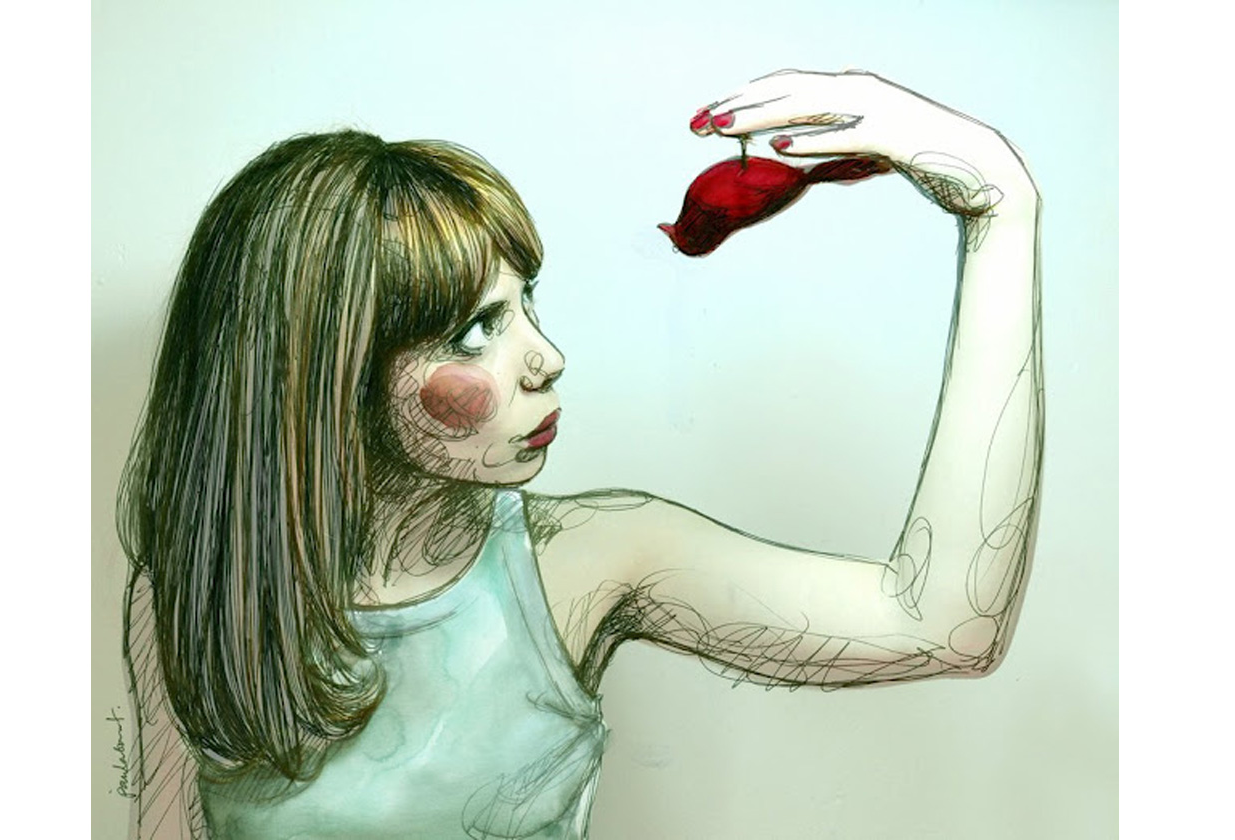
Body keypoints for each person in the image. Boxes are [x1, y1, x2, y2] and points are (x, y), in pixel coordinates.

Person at [118, 69, 1042, 839]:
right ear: (325, 374)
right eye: (477, 331)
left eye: (526, 305)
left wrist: (1000, 207)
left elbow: (943, 623)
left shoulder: (585, 561)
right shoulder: (194, 595)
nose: (547, 358)